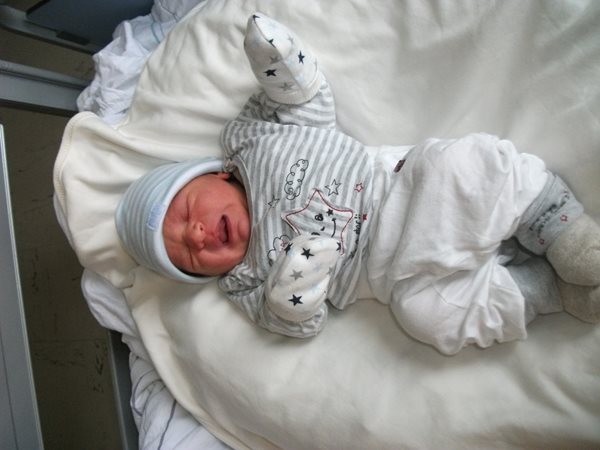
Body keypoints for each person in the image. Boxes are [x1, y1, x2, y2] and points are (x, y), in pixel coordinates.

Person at [116, 13, 600, 355]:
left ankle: (558, 226)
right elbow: (298, 323)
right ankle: (542, 292)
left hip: (404, 191)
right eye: (189, 256)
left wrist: (280, 61)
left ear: (213, 174)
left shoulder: (251, 143)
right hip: (394, 275)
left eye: (186, 214)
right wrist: (291, 293)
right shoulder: (244, 281)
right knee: (428, 319)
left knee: (461, 165)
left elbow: (305, 102)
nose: (197, 235)